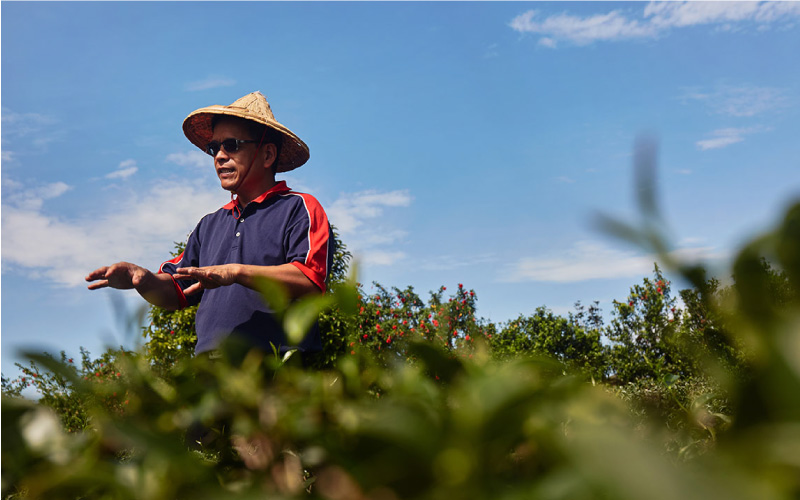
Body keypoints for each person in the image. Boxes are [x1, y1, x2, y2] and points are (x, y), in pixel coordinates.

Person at [86, 91, 334, 357]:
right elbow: (176, 289)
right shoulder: (209, 225)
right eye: (214, 148)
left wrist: (235, 272)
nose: (220, 156)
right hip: (210, 375)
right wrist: (142, 280)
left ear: (267, 154)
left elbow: (309, 278)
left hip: (275, 372)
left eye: (232, 145)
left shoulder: (298, 208)